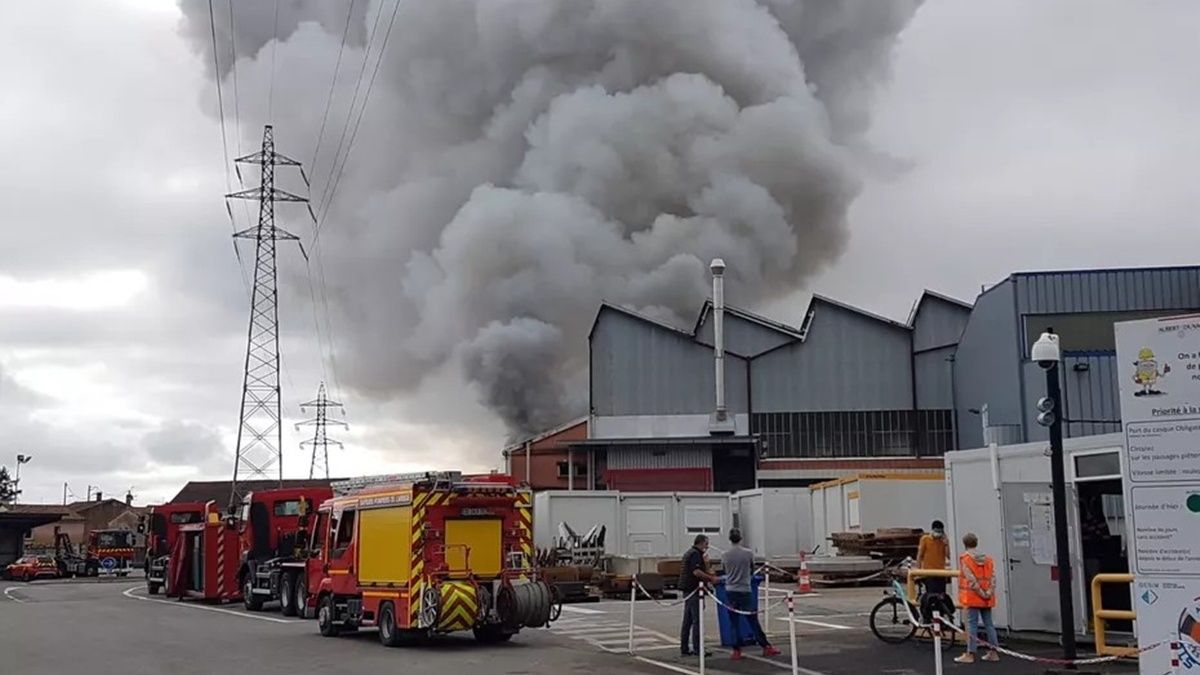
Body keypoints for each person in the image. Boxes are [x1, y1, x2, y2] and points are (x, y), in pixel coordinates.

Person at [721, 529, 781, 660]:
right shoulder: (748, 553)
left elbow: (724, 570)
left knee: (733, 621)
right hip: (745, 589)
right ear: (740, 538)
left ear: (729, 539)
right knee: (753, 620)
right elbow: (751, 570)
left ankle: (736, 650)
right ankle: (765, 646)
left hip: (730, 590)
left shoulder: (725, 554)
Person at [955, 532, 1000, 663]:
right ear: (976, 543)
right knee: (989, 624)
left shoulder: (966, 559)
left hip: (973, 597)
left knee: (972, 625)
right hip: (987, 598)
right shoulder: (988, 559)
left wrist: (980, 592)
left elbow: (971, 580)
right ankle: (994, 652)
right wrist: (988, 593)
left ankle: (970, 654)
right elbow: (992, 578)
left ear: (965, 544)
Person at [679, 534, 719, 657]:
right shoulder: (696, 554)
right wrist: (711, 578)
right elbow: (697, 572)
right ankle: (698, 648)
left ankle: (684, 648)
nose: (707, 547)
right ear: (701, 543)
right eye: (706, 544)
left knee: (687, 621)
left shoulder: (689, 553)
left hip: (687, 589)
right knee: (697, 620)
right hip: (694, 589)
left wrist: (706, 563)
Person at [916, 520, 952, 620]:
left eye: (940, 531)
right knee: (931, 596)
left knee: (942, 596)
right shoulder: (925, 539)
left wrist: (946, 544)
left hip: (940, 573)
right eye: (937, 531)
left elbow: (949, 556)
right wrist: (918, 571)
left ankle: (941, 618)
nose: (938, 533)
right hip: (929, 573)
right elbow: (920, 555)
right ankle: (929, 618)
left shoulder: (943, 541)